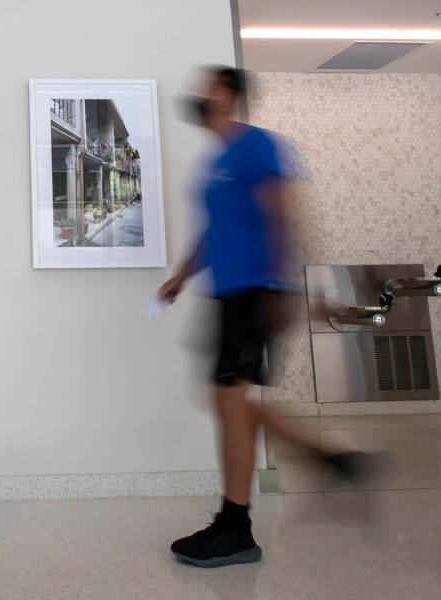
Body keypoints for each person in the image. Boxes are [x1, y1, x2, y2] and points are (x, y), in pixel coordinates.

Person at [159, 66, 365, 568]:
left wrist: (282, 285)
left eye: (208, 87)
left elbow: (285, 214)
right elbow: (215, 231)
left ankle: (236, 527)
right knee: (225, 400)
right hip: (228, 294)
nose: (198, 95)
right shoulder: (216, 160)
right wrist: (181, 276)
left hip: (256, 292)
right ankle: (330, 459)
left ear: (228, 95)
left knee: (230, 401)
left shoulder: (257, 146)